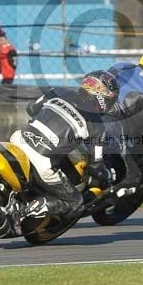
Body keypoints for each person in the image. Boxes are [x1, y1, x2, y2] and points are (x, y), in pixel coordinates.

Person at [9, 70, 123, 226]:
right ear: (103, 95)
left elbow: (31, 108)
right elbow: (96, 165)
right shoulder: (97, 125)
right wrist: (105, 177)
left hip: (18, 140)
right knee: (75, 203)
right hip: (42, 162)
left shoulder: (57, 91)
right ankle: (26, 210)